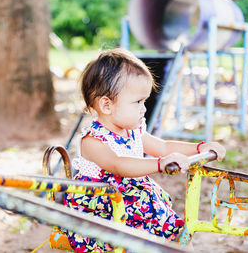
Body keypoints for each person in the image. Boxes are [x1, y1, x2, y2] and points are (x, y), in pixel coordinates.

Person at [64, 48, 226, 252]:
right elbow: (119, 165)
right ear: (107, 105)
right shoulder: (93, 141)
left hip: (135, 202)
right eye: (138, 102)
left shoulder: (132, 131)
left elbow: (163, 146)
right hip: (105, 208)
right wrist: (159, 164)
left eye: (144, 101)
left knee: (177, 232)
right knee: (144, 237)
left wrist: (199, 147)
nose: (144, 108)